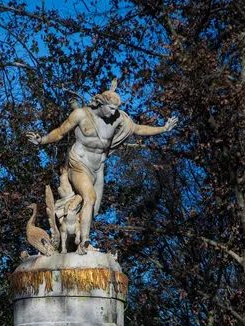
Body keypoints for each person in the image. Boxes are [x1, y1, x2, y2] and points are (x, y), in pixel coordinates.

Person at [27, 80, 177, 253]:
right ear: (102, 103)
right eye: (111, 108)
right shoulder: (81, 115)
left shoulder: (117, 118)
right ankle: (85, 243)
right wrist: (42, 140)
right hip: (79, 164)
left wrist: (163, 129)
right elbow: (60, 132)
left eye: (116, 109)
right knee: (89, 197)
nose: (114, 112)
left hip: (98, 168)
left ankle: (75, 240)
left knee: (94, 208)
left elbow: (138, 129)